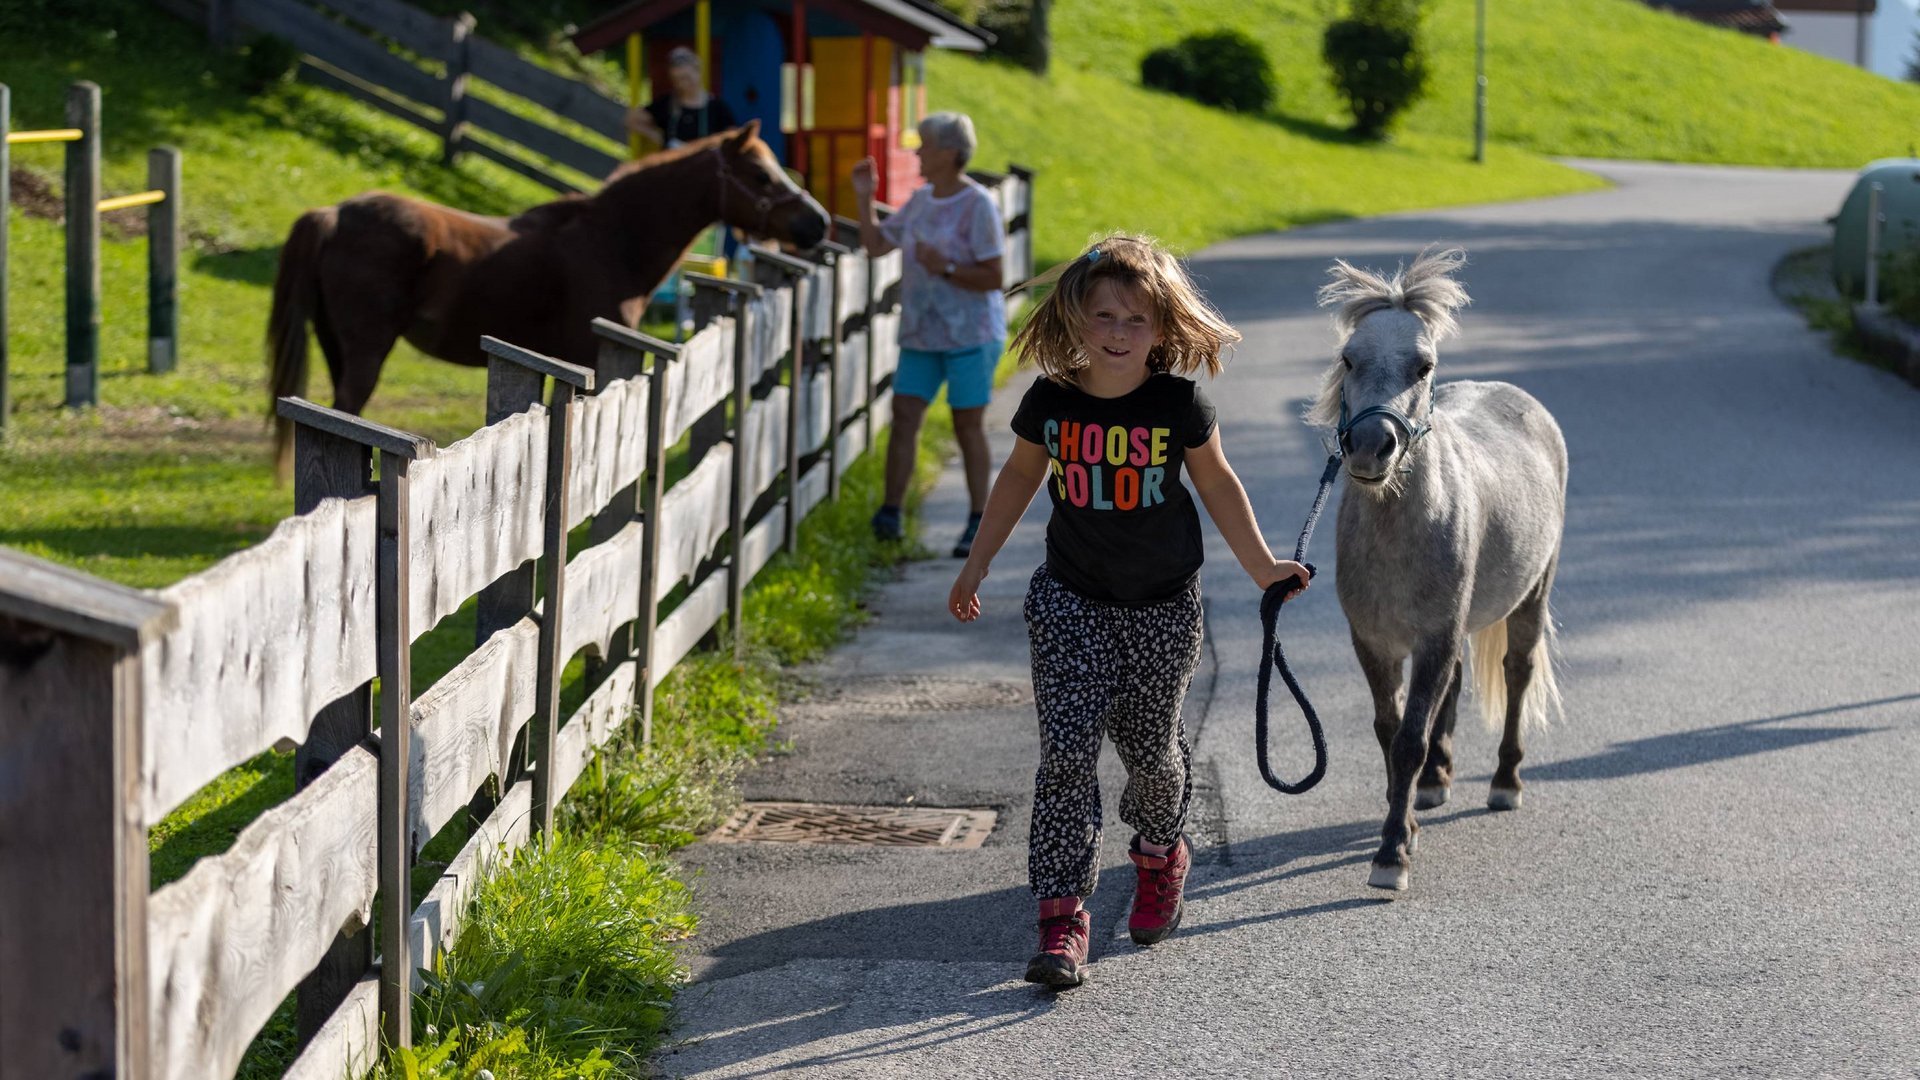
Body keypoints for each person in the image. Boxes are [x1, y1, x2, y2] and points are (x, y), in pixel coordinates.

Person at [946, 235, 1311, 989]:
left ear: (1162, 328)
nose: (1117, 333)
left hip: (1162, 607)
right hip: (1070, 600)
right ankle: (1062, 916)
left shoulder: (1178, 403)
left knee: (1151, 755)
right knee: (1068, 754)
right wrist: (977, 561)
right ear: (1077, 320)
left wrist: (1264, 568)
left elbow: (1217, 486)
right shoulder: (1051, 401)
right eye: (1103, 316)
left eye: (1135, 320)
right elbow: (1017, 480)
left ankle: (1159, 849)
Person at [850, 111, 1006, 557]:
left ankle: (978, 522)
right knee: (904, 417)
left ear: (950, 153)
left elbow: (995, 276)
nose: (917, 151)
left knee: (966, 425)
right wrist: (864, 198)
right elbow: (877, 245)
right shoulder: (920, 201)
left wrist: (949, 268)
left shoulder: (978, 206)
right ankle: (890, 516)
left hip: (971, 335)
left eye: (925, 145)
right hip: (921, 335)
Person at [625, 46, 738, 149]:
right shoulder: (667, 103)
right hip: (674, 166)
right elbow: (632, 120)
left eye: (686, 77)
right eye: (677, 80)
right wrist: (659, 137)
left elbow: (733, 136)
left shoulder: (717, 107)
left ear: (698, 71)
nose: (683, 84)